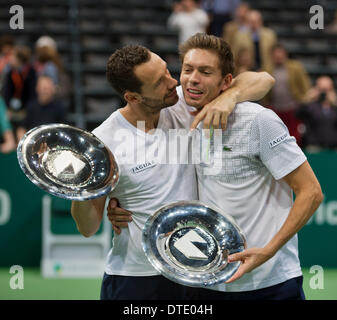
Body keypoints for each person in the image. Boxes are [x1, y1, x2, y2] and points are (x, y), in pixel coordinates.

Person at [109, 33, 323, 300]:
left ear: (226, 81)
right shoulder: (177, 110)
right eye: (187, 70)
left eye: (206, 72)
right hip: (209, 283)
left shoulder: (258, 120)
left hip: (271, 281)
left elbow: (312, 192)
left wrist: (269, 250)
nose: (193, 78)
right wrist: (120, 201)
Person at [70, 41, 275, 300]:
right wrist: (81, 188)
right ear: (133, 97)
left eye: (167, 71)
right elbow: (88, 228)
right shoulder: (104, 142)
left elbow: (264, 79)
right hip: (136, 279)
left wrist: (229, 97)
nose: (172, 82)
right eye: (158, 82)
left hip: (197, 273)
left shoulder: (182, 104)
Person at [263, 43, 311, 145]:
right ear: (272, 56)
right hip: (275, 110)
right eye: (276, 55)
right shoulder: (267, 69)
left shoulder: (295, 67)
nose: (278, 57)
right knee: (277, 140)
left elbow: (305, 85)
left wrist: (302, 100)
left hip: (293, 109)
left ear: (285, 54)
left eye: (280, 54)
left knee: (295, 139)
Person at [16, 75, 67, 141]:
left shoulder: (60, 108)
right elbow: (22, 128)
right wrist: (23, 142)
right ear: (37, 88)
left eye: (47, 88)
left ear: (53, 90)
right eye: (42, 88)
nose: (44, 92)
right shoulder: (31, 106)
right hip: (33, 145)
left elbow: (64, 132)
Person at [296, 76, 337, 151]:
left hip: (333, 148)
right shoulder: (310, 106)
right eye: (322, 90)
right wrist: (307, 98)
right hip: (314, 147)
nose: (324, 93)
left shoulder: (334, 106)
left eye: (327, 90)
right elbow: (297, 114)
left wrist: (335, 103)